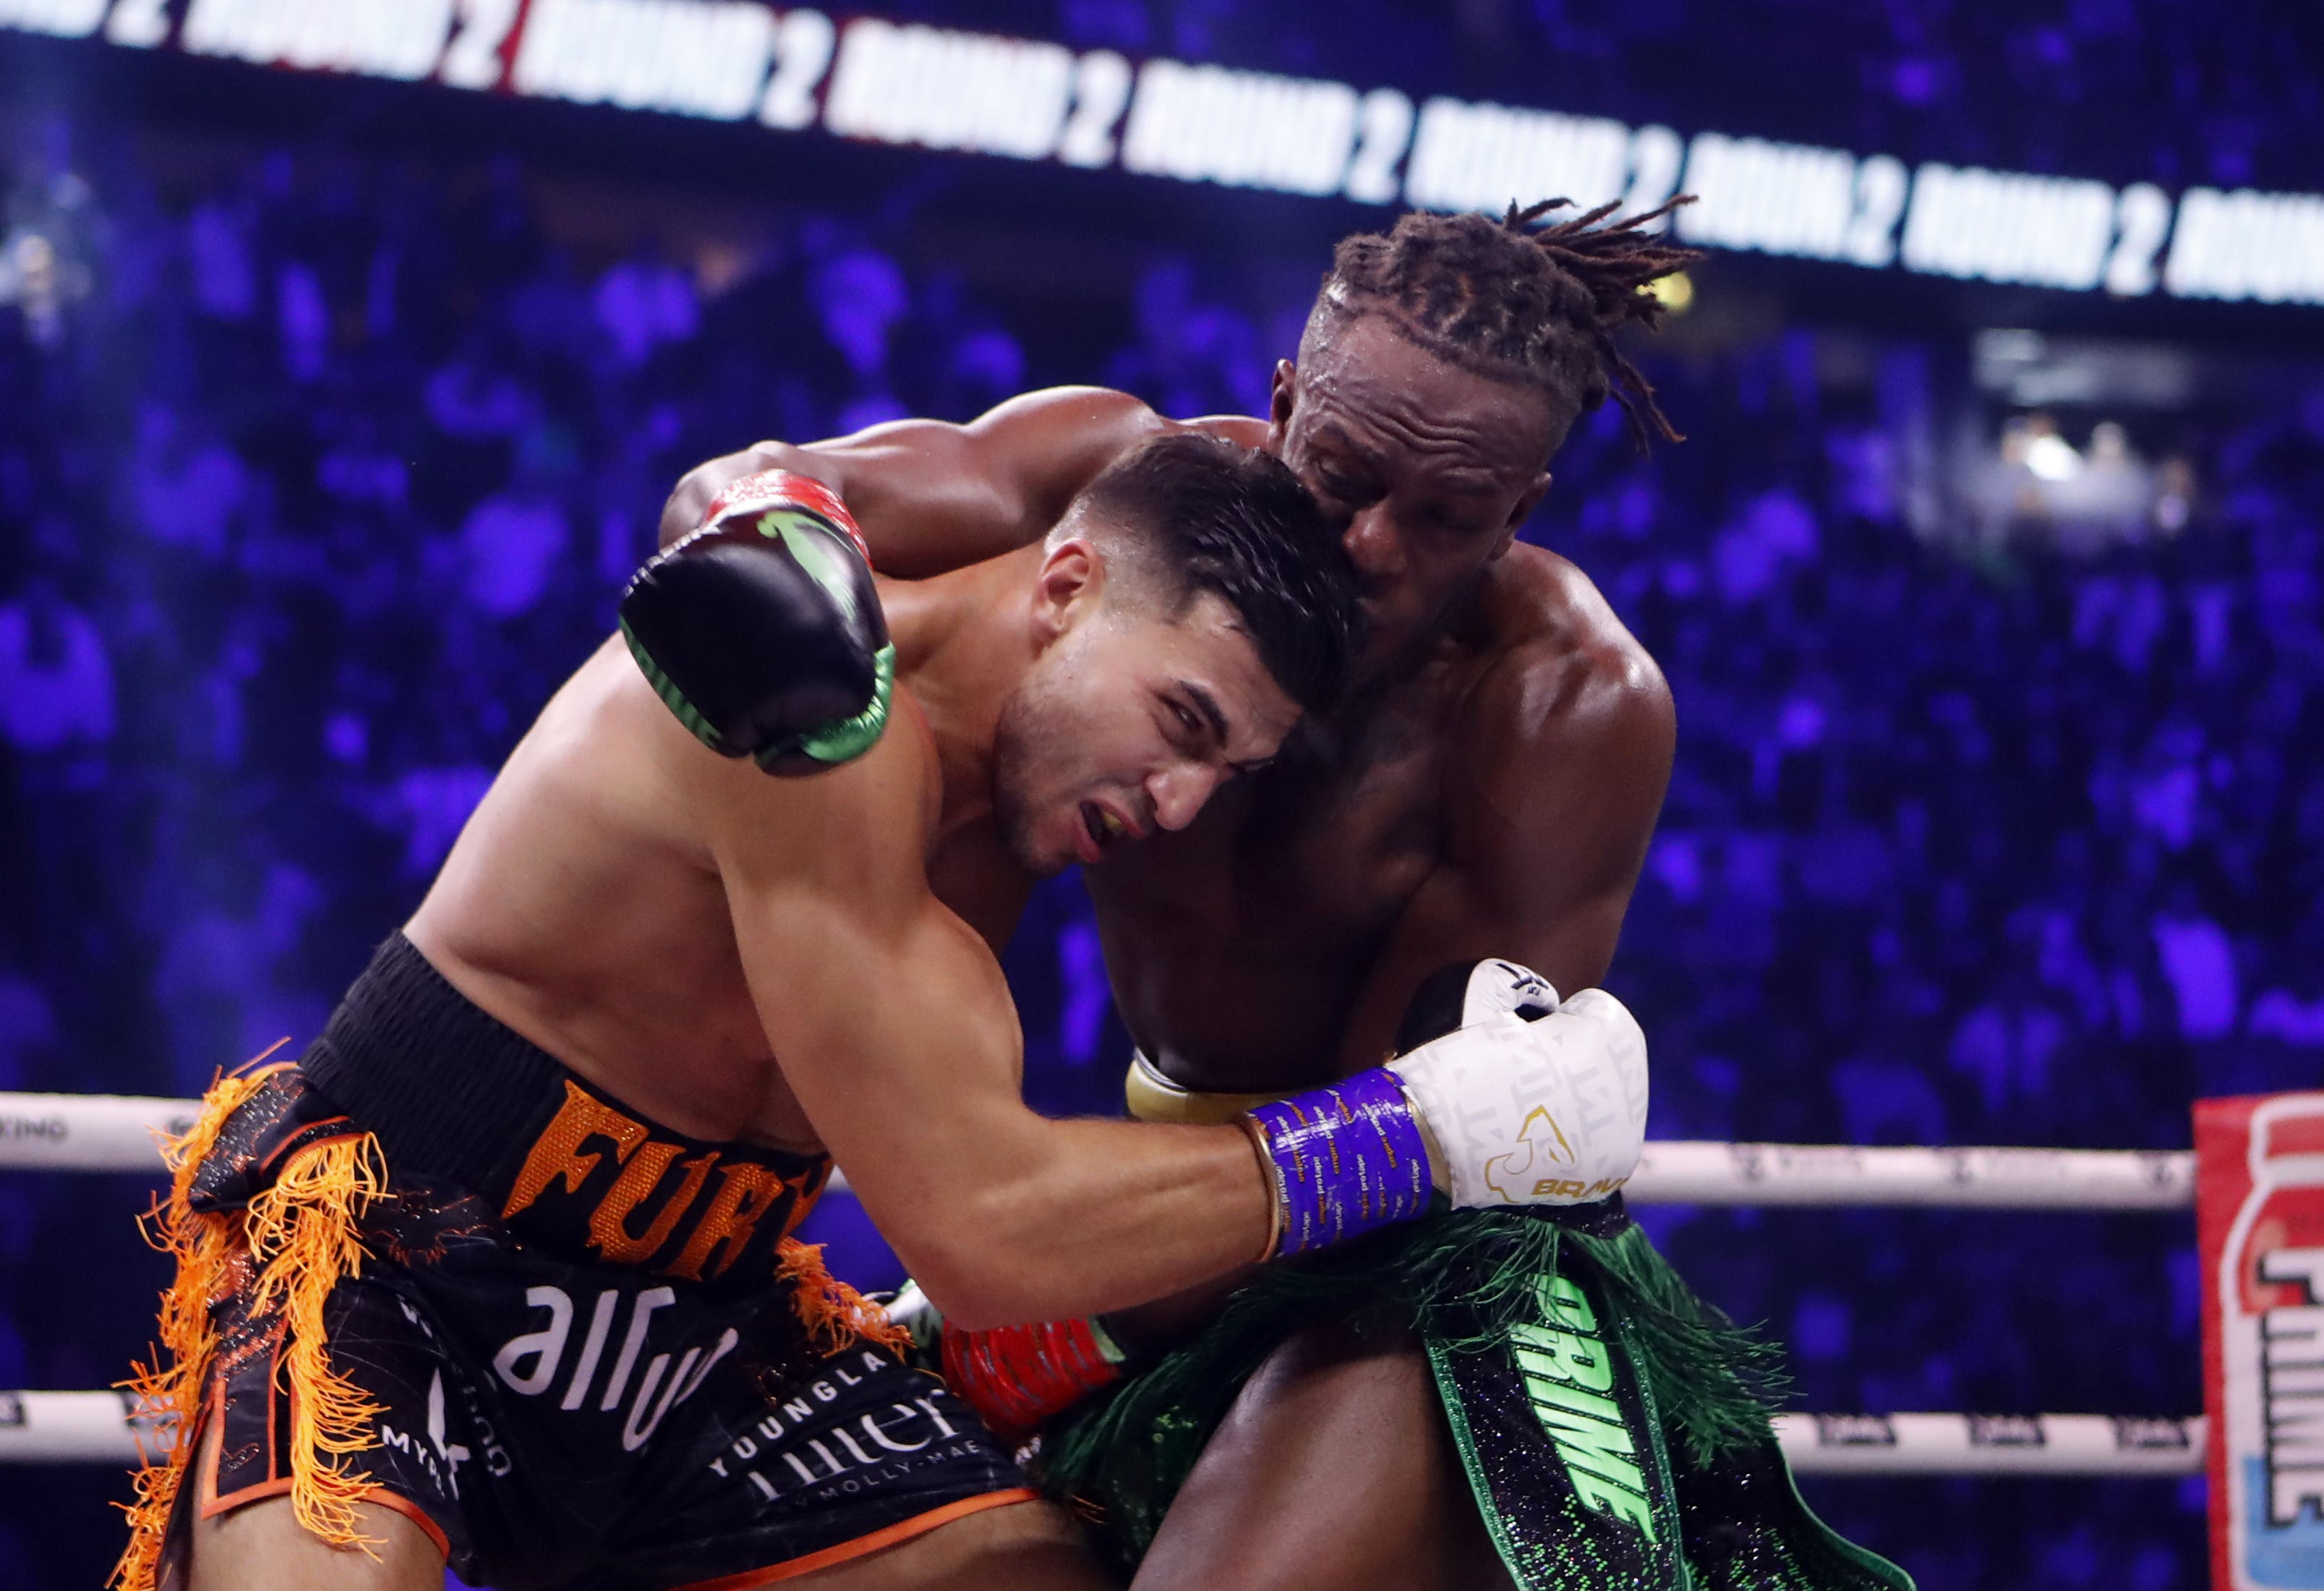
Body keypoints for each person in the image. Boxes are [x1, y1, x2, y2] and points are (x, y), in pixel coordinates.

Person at [116, 434, 1652, 1591]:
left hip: (698, 1348)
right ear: (1064, 587)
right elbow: (985, 1223)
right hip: (405, 1279)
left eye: (1225, 771)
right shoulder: (808, 720)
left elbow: (995, 1223)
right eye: (1182, 722)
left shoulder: (1034, 813)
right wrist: (1426, 1127)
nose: (1178, 803)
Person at [663, 203, 1909, 1589]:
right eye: (1343, 478)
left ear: (1522, 510)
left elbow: (1422, 1146)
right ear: (1281, 403)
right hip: (1143, 1207)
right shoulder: (1123, 485)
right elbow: (753, 485)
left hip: (1412, 1259)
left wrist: (1058, 1313)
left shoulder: (1560, 703)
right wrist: (780, 586)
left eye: (1446, 519)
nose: (1375, 547)